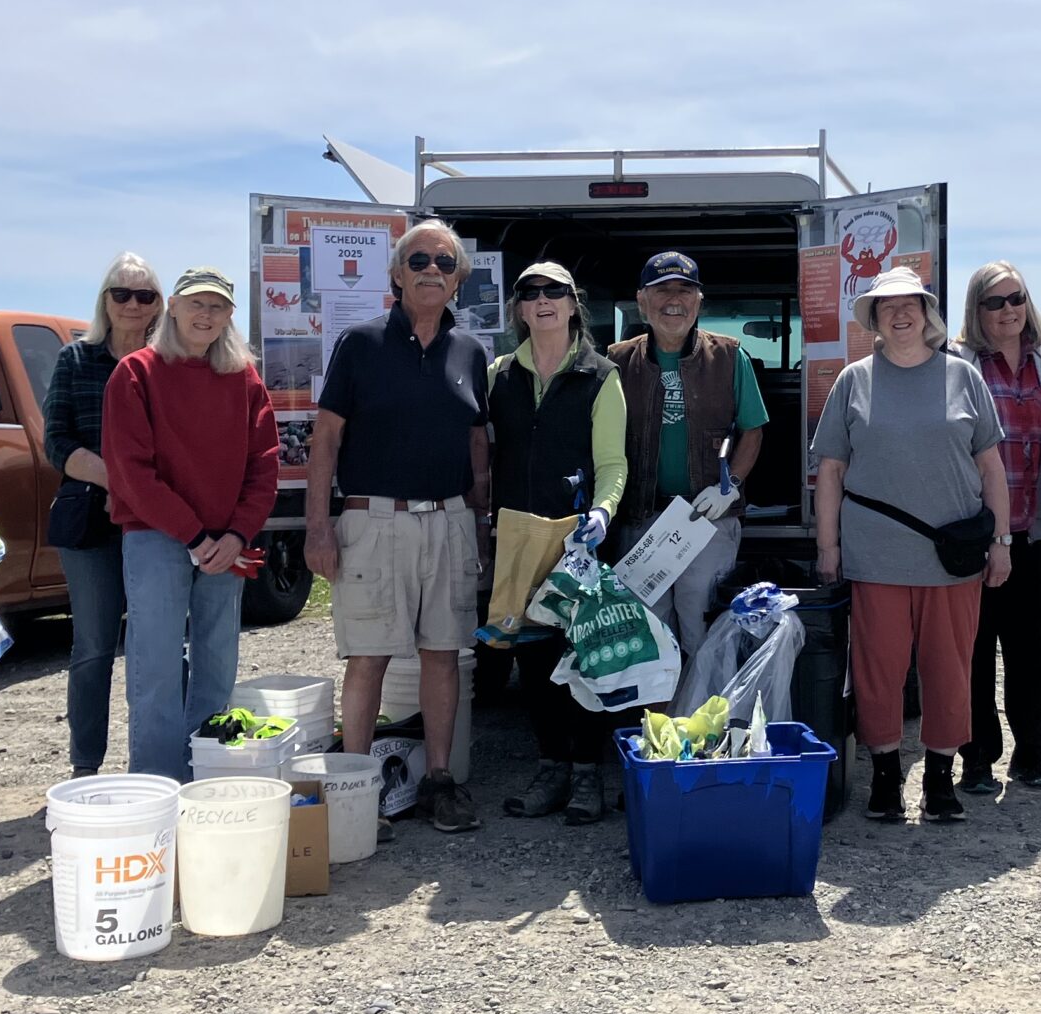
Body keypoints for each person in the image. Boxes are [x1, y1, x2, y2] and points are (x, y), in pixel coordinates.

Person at [304, 221, 492, 833]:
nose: (430, 269)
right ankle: (356, 791)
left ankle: (439, 781)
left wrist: (479, 521)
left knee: (443, 654)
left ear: (459, 276)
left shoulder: (470, 352)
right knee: (368, 658)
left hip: (449, 521)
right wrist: (318, 528)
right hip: (372, 521)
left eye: (443, 261)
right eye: (418, 260)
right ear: (395, 273)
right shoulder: (359, 344)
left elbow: (475, 442)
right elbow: (326, 438)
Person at [811, 265, 1010, 824]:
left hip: (952, 558)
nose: (900, 314)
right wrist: (829, 548)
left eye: (911, 304)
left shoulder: (962, 376)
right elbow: (830, 471)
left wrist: (1002, 541)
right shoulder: (853, 380)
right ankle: (884, 777)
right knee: (879, 669)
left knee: (950, 669)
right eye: (887, 306)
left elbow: (991, 467)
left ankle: (941, 779)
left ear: (927, 314)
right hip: (876, 555)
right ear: (873, 319)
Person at [103, 267, 280, 784]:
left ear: (229, 316)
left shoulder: (244, 379)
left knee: (217, 661)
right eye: (196, 304)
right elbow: (131, 473)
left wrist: (236, 535)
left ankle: (209, 773)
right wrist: (196, 537)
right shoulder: (135, 373)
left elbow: (264, 463)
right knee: (155, 664)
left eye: (218, 307)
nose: (206, 315)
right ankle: (158, 783)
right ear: (173, 308)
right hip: (158, 536)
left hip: (226, 543)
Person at [488, 263, 629, 826]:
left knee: (585, 656)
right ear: (520, 310)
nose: (542, 300)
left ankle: (588, 773)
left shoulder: (601, 376)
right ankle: (551, 767)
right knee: (533, 654)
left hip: (578, 542)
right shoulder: (499, 374)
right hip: (519, 539)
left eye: (555, 292)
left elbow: (613, 464)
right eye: (531, 293)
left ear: (574, 305)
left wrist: (602, 510)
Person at [949, 262, 1041, 793]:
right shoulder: (958, 364)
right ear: (976, 310)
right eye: (995, 301)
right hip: (974, 532)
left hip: (1034, 529)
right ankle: (976, 759)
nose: (1008, 310)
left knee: (1030, 651)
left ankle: (1031, 754)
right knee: (974, 650)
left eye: (1016, 298)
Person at [606, 251, 768, 655]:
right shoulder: (616, 361)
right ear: (641, 300)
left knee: (701, 627)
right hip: (642, 519)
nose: (673, 300)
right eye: (662, 291)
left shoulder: (730, 357)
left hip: (706, 519)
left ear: (699, 301)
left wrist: (731, 486)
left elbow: (753, 430)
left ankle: (704, 715)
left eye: (684, 290)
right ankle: (658, 718)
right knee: (649, 633)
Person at [41, 252, 160, 777]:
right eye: (122, 293)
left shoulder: (172, 364)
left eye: (145, 295)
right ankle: (84, 767)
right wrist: (119, 480)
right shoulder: (75, 360)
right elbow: (56, 442)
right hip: (91, 522)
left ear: (160, 305)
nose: (133, 304)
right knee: (93, 646)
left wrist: (138, 491)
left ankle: (159, 760)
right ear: (105, 300)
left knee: (158, 644)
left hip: (159, 522)